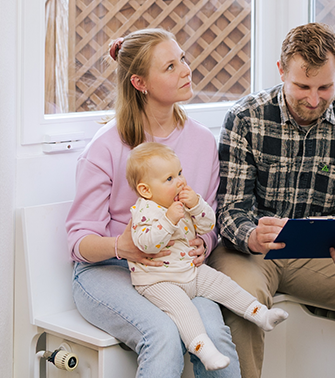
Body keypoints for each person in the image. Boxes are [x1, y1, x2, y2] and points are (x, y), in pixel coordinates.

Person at [209, 22, 335, 378]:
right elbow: (230, 210)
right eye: (302, 86)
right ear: (281, 72)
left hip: (318, 258)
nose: (314, 99)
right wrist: (251, 235)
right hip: (252, 253)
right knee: (243, 295)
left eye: (325, 87)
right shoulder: (245, 118)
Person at [65, 28, 242, 378]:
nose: (186, 70)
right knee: (161, 334)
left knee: (215, 336)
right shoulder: (106, 146)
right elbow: (77, 243)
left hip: (174, 271)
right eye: (171, 66)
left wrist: (202, 244)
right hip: (107, 272)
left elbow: (208, 215)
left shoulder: (203, 142)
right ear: (140, 83)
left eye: (184, 60)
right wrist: (123, 246)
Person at [125, 142, 288, 371]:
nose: (180, 181)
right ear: (146, 190)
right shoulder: (144, 211)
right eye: (169, 179)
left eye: (180, 173)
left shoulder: (182, 203)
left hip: (190, 271)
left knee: (224, 284)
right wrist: (169, 220)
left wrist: (197, 205)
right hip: (158, 281)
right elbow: (147, 243)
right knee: (184, 311)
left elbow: (208, 224)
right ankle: (204, 349)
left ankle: (260, 314)